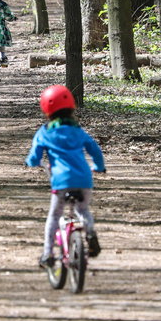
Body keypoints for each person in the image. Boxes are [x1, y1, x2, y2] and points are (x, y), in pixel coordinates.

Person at [26, 85, 106, 268]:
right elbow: (95, 150)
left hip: (61, 182)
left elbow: (35, 154)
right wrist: (99, 167)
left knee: (54, 216)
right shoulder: (78, 131)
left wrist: (32, 162)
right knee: (83, 210)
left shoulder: (45, 132)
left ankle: (47, 254)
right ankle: (90, 231)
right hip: (84, 180)